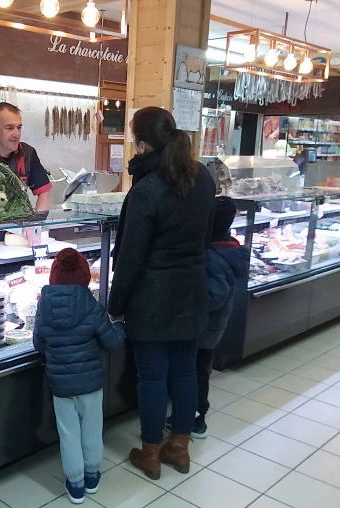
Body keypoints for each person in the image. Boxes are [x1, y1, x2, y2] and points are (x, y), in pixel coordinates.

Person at [108, 107, 215, 480]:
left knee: (152, 377)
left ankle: (151, 452)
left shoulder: (146, 190)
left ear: (140, 143)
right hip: (192, 290)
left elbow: (130, 258)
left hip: (152, 299)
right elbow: (204, 236)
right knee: (185, 371)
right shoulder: (202, 177)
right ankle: (180, 449)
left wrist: (115, 305)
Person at [33, 248, 125, 504]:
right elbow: (112, 341)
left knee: (69, 434)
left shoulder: (44, 305)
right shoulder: (92, 306)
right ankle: (92, 476)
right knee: (92, 429)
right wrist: (120, 324)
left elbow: (39, 344)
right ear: (84, 276)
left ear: (53, 276)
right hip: (91, 384)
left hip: (61, 386)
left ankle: (75, 484)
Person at [166, 195, 250, 438]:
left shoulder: (212, 256)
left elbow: (214, 296)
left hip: (202, 327)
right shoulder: (228, 249)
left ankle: (196, 420)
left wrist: (186, 298)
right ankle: (190, 414)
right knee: (198, 371)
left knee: (195, 374)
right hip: (212, 328)